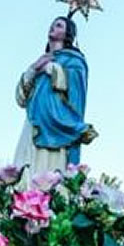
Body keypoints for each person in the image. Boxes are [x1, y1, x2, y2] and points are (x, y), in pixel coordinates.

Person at [14, 16, 95, 176]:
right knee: (27, 167)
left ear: (67, 34)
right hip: (35, 121)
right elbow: (21, 98)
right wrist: (34, 69)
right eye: (52, 24)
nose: (53, 27)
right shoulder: (40, 62)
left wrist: (52, 68)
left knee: (51, 167)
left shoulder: (74, 60)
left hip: (57, 123)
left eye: (59, 25)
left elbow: (76, 84)